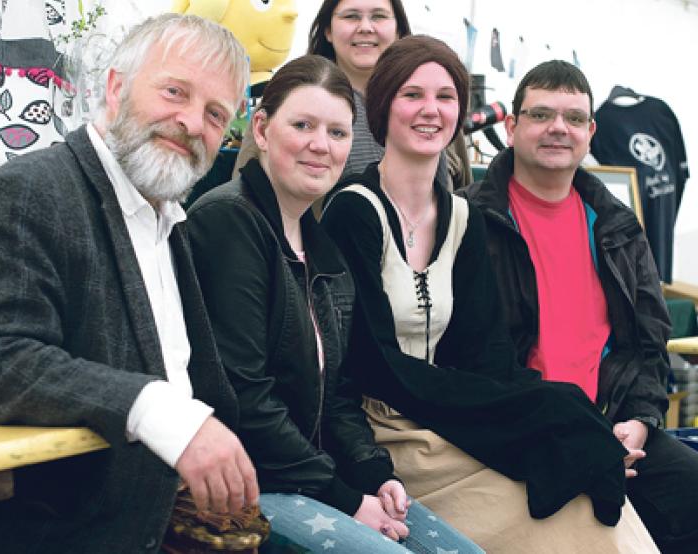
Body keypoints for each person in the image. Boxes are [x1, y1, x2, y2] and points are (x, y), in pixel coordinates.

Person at [0, 14, 258, 553]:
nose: (191, 122)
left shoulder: (167, 225)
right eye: (175, 91)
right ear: (116, 87)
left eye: (215, 113)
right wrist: (158, 410)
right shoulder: (29, 192)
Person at [322, 35, 659, 553]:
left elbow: (486, 354)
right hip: (385, 431)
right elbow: (372, 364)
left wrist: (559, 411)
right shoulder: (353, 211)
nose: (430, 111)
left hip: (446, 419)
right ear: (382, 106)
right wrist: (523, 417)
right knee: (564, 516)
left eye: (446, 97)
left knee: (586, 490)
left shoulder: (462, 217)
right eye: (412, 95)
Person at [186, 55, 481, 554]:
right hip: (247, 483)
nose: (320, 145)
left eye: (338, 133)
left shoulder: (321, 245)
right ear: (261, 127)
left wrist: (374, 474)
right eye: (302, 125)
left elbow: (339, 395)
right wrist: (345, 498)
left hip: (312, 475)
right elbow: (244, 399)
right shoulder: (229, 221)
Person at [463, 60, 698, 554]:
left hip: (610, 422)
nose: (558, 128)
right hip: (518, 428)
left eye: (574, 118)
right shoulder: (470, 219)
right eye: (542, 114)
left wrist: (637, 420)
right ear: (511, 127)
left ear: (590, 133)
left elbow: (648, 342)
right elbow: (463, 352)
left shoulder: (617, 225)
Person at [231, 0, 466, 197]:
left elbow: (463, 193)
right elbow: (244, 192)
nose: (365, 27)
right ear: (328, 30)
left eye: (379, 16)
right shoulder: (286, 99)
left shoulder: (433, 112)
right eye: (351, 16)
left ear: (399, 30)